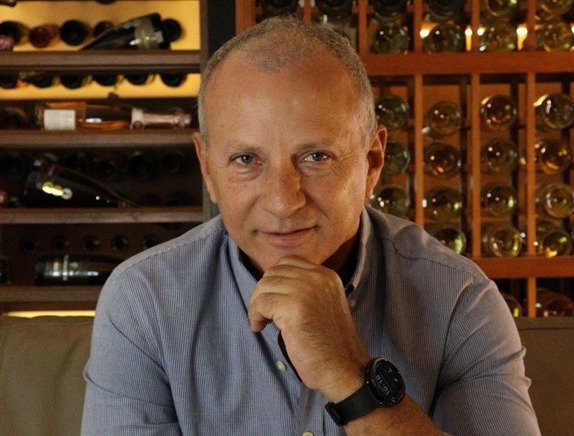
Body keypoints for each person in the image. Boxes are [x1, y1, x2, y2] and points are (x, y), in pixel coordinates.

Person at [81, 16, 540, 435]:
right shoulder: (144, 300)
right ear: (207, 169)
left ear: (372, 163)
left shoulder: (459, 299)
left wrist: (351, 376)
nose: (283, 202)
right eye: (246, 160)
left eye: (316, 157)